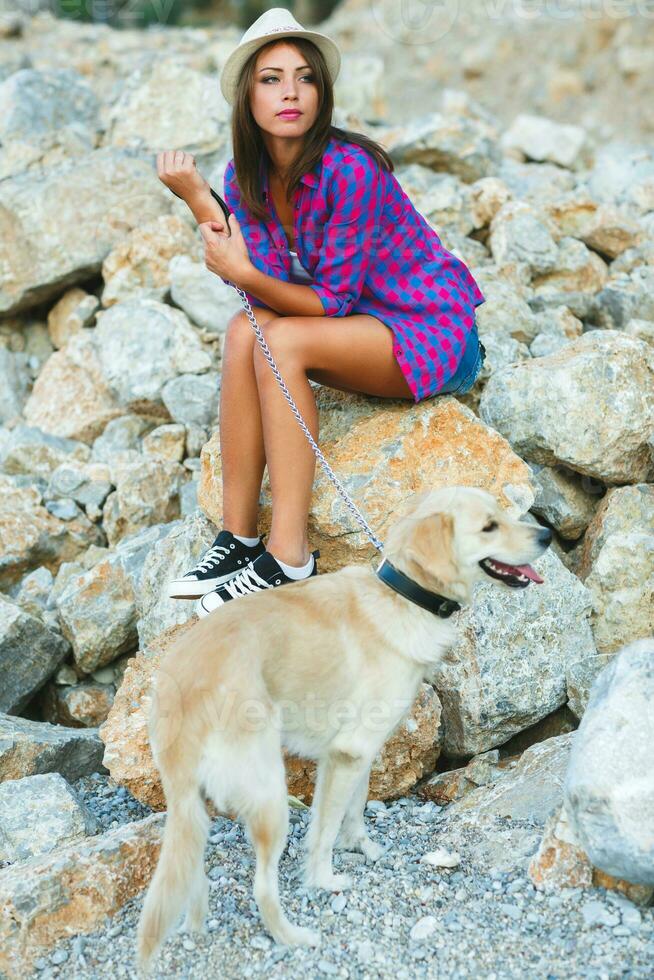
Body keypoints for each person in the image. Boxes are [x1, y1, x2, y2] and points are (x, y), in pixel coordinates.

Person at [157, 7, 486, 618]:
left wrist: (245, 273)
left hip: (432, 333)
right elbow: (260, 302)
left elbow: (326, 301)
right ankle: (238, 539)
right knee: (241, 333)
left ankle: (289, 557)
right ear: (246, 98)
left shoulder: (350, 169)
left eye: (305, 78)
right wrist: (201, 198)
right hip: (360, 328)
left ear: (322, 93)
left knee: (281, 345)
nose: (290, 93)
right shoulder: (244, 178)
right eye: (271, 79)